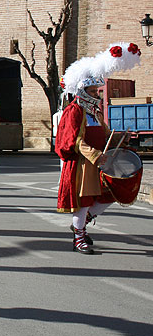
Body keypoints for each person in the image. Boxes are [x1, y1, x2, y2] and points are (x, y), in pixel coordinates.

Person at [56, 42, 142, 255]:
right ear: (82, 90)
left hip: (100, 161)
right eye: (92, 90)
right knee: (84, 201)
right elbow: (73, 141)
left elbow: (103, 135)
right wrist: (95, 156)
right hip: (84, 164)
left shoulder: (94, 112)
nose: (96, 93)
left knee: (108, 195)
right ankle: (78, 237)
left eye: (96, 90)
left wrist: (120, 140)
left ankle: (83, 223)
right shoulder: (74, 111)